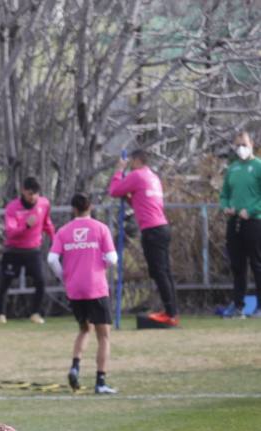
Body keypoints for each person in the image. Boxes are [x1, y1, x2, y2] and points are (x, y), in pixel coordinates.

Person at [48, 193, 119, 394]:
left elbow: (52, 259)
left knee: (84, 329)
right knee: (103, 336)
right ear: (90, 207)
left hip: (75, 289)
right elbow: (113, 258)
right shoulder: (100, 228)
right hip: (96, 287)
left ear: (73, 209)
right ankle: (100, 381)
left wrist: (65, 278)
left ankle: (75, 367)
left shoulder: (63, 231)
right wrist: (100, 265)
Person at [108, 149, 178, 325]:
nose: (129, 164)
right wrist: (130, 198)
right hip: (162, 227)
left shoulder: (137, 175)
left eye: (131, 161)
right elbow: (144, 202)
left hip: (152, 230)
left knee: (159, 272)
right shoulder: (153, 177)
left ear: (137, 160)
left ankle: (170, 313)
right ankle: (172, 310)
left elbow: (114, 190)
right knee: (163, 272)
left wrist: (119, 170)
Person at [0, 176, 56, 324]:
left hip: (33, 250)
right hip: (13, 250)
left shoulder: (44, 203)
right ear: (23, 191)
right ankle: (1, 315)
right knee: (5, 282)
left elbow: (47, 224)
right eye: (30, 194)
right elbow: (10, 231)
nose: (33, 197)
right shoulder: (12, 207)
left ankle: (35, 313)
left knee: (40, 281)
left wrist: (55, 240)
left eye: (36, 193)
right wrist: (26, 226)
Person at [220, 131, 261, 318]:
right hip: (234, 221)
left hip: (254, 222)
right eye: (237, 146)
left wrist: (251, 210)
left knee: (257, 264)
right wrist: (226, 206)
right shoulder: (233, 169)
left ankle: (260, 307)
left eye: (243, 144)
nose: (241, 149)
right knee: (237, 266)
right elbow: (224, 194)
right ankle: (238, 306)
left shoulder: (258, 166)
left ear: (251, 144)